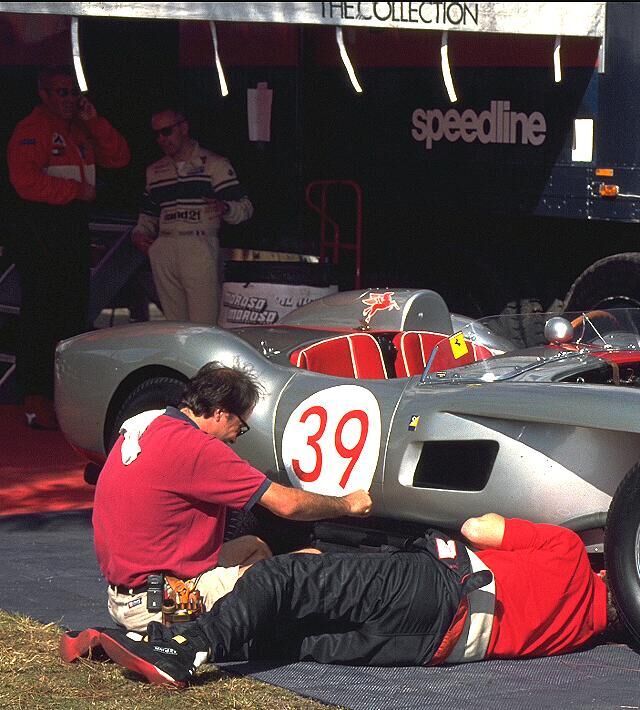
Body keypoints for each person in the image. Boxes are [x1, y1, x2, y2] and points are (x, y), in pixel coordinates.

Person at [64, 513, 609, 688]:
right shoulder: (590, 630)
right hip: (436, 648)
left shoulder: (567, 550)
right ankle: (165, 643)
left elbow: (477, 525)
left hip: (441, 587)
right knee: (295, 634)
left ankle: (181, 648)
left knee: (290, 580)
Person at [92, 361, 373, 633]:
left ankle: (253, 620)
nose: (236, 438)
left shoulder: (148, 424)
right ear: (220, 413)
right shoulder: (198, 449)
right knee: (307, 563)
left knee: (254, 548)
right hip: (162, 606)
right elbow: (288, 505)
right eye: (240, 426)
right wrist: (348, 504)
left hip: (126, 597)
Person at [6, 66, 130, 430]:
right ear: (43, 94)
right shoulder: (31, 129)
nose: (69, 99)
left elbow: (119, 157)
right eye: (61, 92)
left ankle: (66, 395)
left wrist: (96, 122)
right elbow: (25, 182)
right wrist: (77, 192)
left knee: (72, 313)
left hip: (73, 228)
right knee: (40, 315)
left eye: (73, 92)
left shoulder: (80, 128)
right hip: (40, 229)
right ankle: (34, 398)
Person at [129, 106, 251, 325]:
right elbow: (148, 215)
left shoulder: (214, 164)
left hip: (199, 242)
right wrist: (140, 234)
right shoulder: (155, 171)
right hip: (164, 245)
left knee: (203, 325)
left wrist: (225, 208)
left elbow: (245, 207)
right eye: (156, 134)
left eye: (166, 131)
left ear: (183, 127)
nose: (161, 139)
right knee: (174, 326)